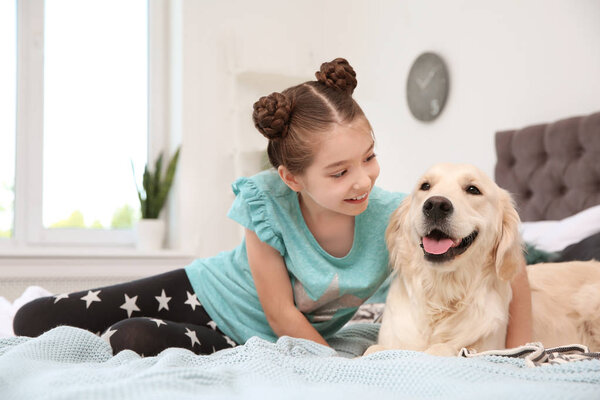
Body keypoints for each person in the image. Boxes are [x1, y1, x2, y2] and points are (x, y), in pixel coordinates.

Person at [13, 58, 532, 356]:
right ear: (291, 178)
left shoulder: (402, 213)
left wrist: (520, 348)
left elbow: (512, 257)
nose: (362, 181)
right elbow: (282, 312)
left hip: (244, 339)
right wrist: (335, 371)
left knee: (132, 337)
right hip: (202, 293)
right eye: (339, 172)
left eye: (369, 158)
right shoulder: (267, 203)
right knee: (32, 319)